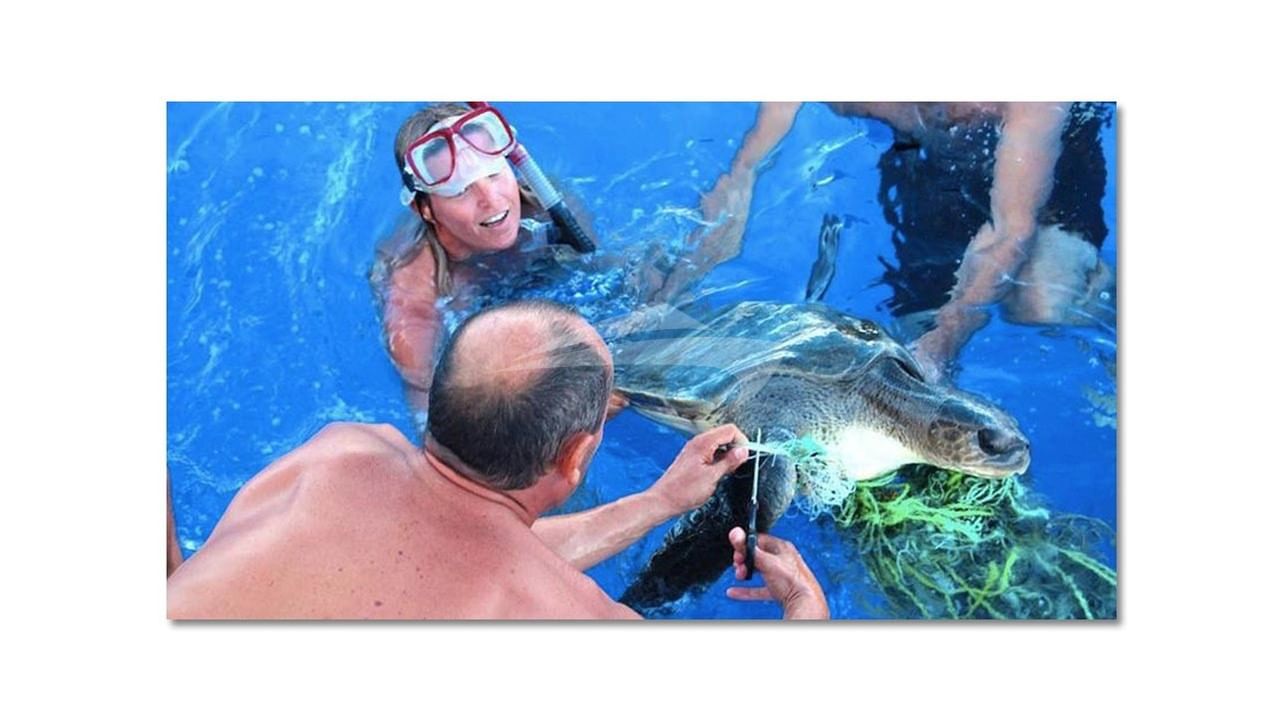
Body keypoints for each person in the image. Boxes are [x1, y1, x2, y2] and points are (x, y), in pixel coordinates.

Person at [167, 300, 829, 620]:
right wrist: (805, 609)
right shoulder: (578, 620)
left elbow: (452, 546)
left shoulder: (335, 453)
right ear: (576, 457)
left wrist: (658, 503)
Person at [370, 102, 772, 416]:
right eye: (460, 192)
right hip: (487, 334)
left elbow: (604, 278)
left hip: (543, 291)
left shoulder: (546, 207)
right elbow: (434, 417)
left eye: (494, 175)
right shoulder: (414, 292)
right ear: (425, 210)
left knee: (682, 276)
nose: (492, 201)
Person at [706, 101, 1115, 382]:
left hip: (1047, 177)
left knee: (1042, 304)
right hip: (928, 173)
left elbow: (1011, 228)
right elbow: (741, 175)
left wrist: (947, 336)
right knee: (902, 353)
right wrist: (679, 274)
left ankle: (1111, 304)